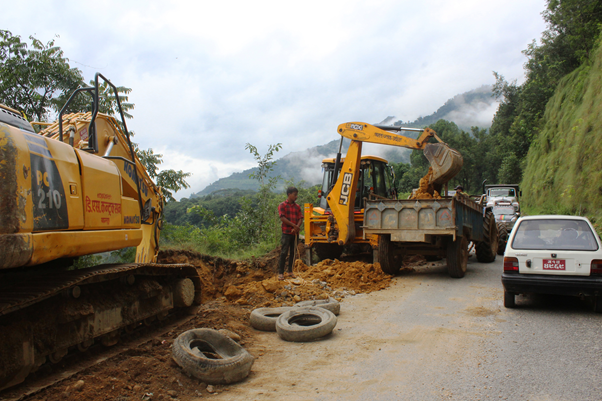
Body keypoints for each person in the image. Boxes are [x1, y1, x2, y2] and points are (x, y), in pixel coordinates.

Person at [277, 187, 303, 280]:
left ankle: (290, 271)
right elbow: (282, 218)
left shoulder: (297, 206)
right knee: (284, 252)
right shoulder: (282, 205)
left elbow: (300, 218)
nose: (296, 196)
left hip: (294, 233)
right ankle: (280, 273)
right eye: (294, 194)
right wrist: (294, 226)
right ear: (289, 194)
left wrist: (296, 228)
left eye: (296, 195)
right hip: (286, 233)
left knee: (293, 252)